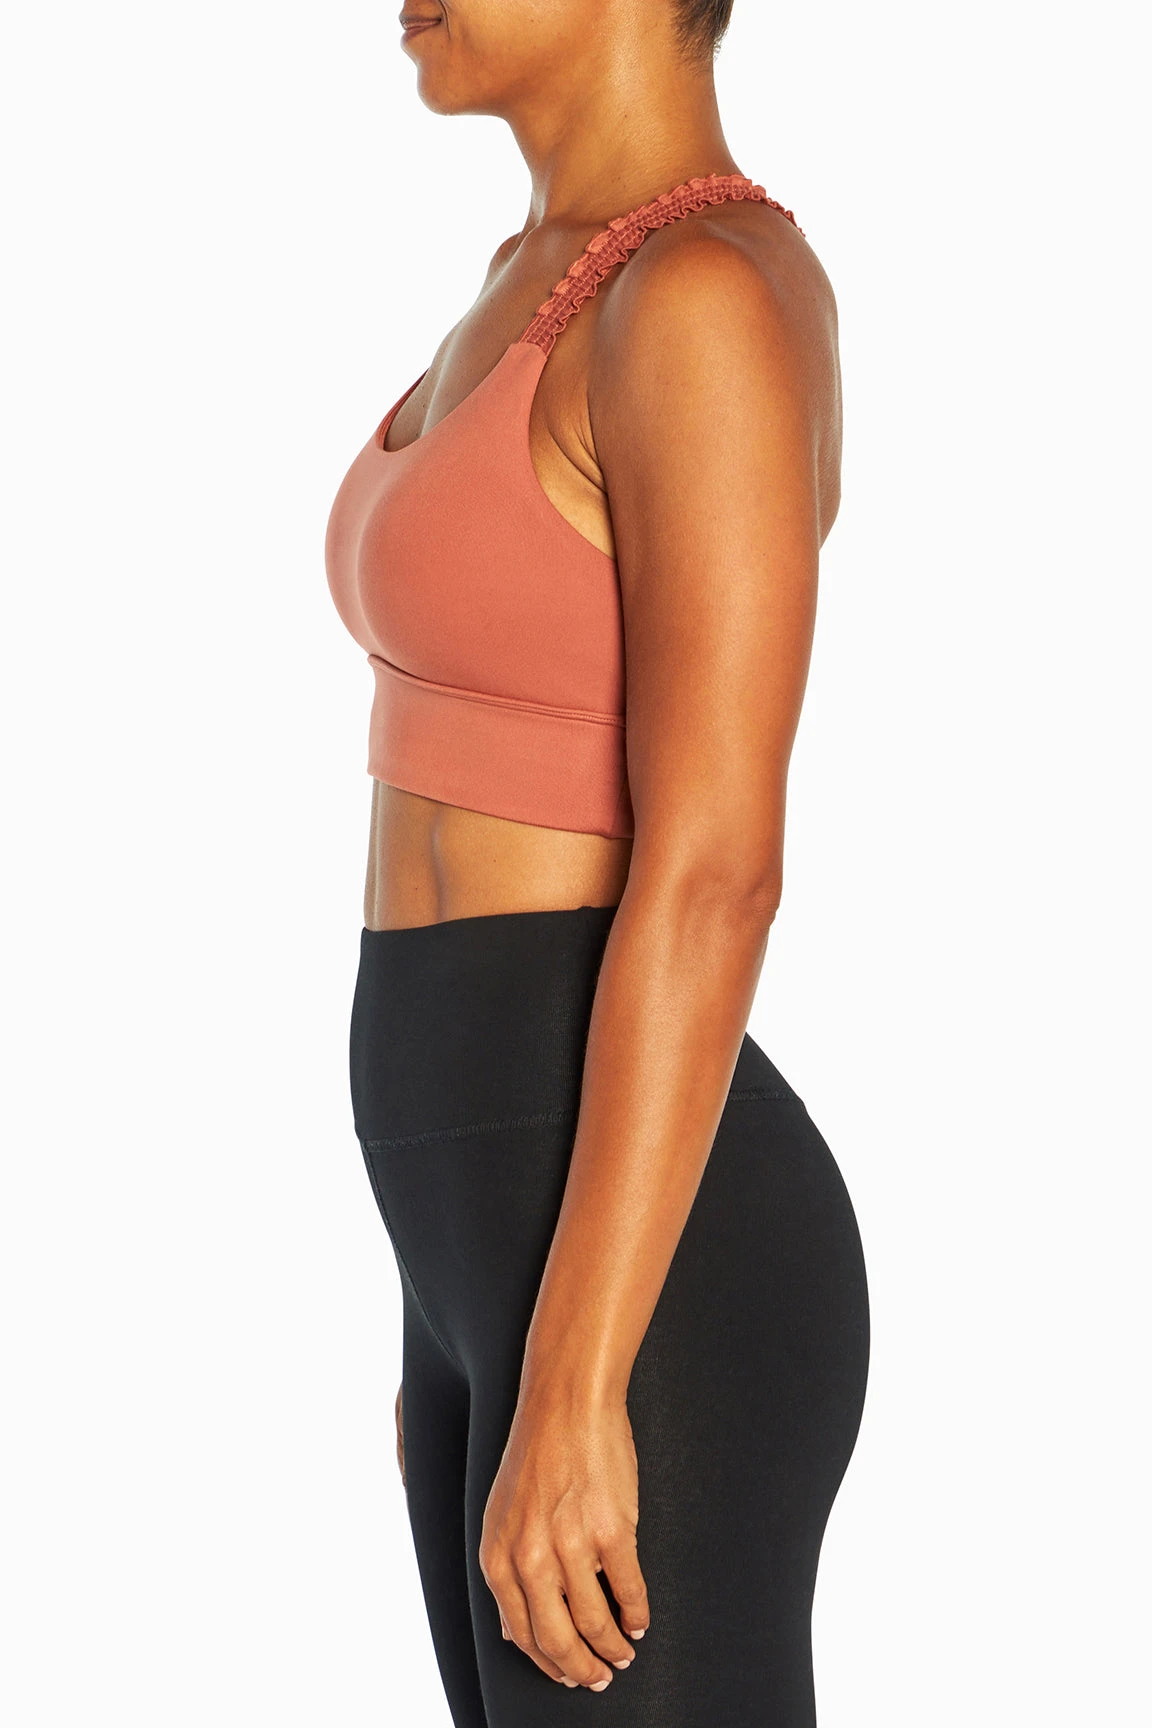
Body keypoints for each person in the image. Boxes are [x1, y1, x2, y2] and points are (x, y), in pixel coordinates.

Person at [324, 1, 869, 1721]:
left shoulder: (699, 298)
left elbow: (715, 865)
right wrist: (455, 1311)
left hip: (639, 1284)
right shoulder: (536, 274)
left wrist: (570, 1375)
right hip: (499, 1249)